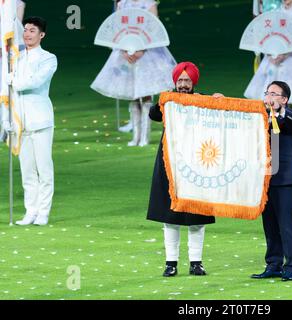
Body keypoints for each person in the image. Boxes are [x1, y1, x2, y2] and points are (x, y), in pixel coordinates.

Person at [147, 62, 216, 277]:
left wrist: (219, 102)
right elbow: (153, 114)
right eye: (180, 80)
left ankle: (196, 262)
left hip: (197, 163)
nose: (183, 84)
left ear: (193, 82)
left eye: (187, 81)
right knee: (170, 215)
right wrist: (165, 100)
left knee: (196, 215)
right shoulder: (167, 100)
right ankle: (171, 263)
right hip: (170, 163)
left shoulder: (203, 100)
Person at [91, 0, 176, 147]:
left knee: (145, 94)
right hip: (126, 53)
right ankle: (135, 137)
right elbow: (117, 28)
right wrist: (124, 49)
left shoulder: (149, 4)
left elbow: (153, 29)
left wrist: (141, 49)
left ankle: (145, 137)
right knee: (133, 95)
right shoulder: (123, 4)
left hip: (147, 53)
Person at [2, 16, 57, 226]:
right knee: (27, 170)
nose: (27, 34)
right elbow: (7, 91)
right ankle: (30, 210)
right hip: (20, 121)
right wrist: (6, 118)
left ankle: (43, 212)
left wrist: (13, 81)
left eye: (32, 30)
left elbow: (36, 81)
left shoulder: (49, 58)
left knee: (44, 168)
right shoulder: (15, 58)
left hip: (40, 120)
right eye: (25, 30)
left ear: (41, 35)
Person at [251, 81, 292, 281]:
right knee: (270, 225)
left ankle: (290, 267)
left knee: (287, 225)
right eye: (267, 93)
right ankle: (273, 264)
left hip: (287, 180)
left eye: (274, 94)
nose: (269, 97)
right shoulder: (259, 116)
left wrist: (279, 110)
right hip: (266, 179)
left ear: (284, 99)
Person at [0, 0, 26, 142]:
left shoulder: (15, 3)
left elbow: (15, 25)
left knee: (8, 87)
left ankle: (9, 123)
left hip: (10, 49)